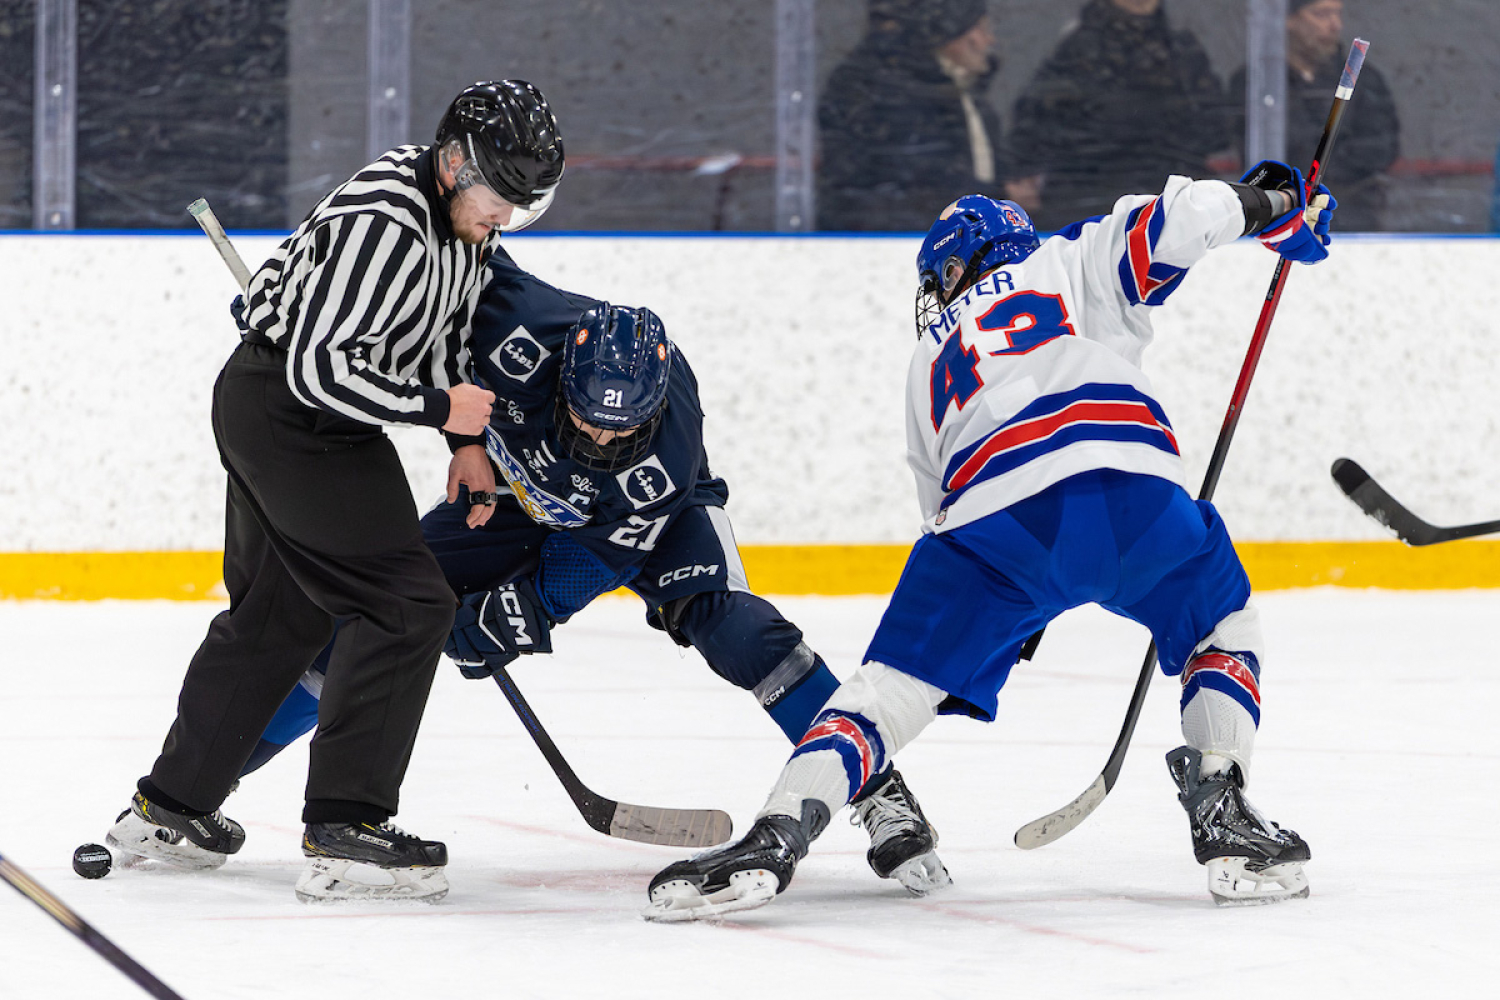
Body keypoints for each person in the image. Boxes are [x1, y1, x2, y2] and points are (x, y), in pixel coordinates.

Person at [641, 159, 1338, 921]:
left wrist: (1014, 607)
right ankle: (1225, 810)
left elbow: (941, 506)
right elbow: (1194, 212)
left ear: (950, 271)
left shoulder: (925, 362)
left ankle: (777, 834)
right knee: (1222, 626)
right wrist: (1273, 205)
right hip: (1130, 493)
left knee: (885, 695)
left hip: (992, 526)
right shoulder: (1070, 255)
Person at [239, 272, 953, 899]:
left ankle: (882, 794)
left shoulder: (666, 452)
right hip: (515, 499)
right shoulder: (513, 322)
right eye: (587, 418)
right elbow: (434, 282)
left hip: (655, 520)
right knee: (382, 610)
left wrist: (504, 620)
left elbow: (590, 565)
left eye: (623, 430)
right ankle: (221, 771)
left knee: (740, 631)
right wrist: (306, 316)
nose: (603, 441)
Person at [103, 80, 565, 903]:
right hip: (291, 415)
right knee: (407, 604)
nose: (505, 220)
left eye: (525, 209)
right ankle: (347, 826)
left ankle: (170, 808)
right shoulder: (387, 220)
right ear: (456, 162)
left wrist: (465, 442)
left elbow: (445, 334)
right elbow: (319, 368)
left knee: (281, 615)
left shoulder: (463, 223)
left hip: (291, 414)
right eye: (502, 199)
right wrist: (436, 410)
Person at [1006, 0, 1230, 232]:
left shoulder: (1181, 50)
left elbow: (1215, 128)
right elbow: (1038, 130)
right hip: (1097, 215)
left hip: (1174, 211)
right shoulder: (1077, 50)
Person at [818, 0, 1010, 231]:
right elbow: (913, 185)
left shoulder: (965, 94)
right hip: (896, 241)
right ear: (950, 31)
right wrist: (1001, 195)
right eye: (981, 28)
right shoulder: (887, 89)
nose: (990, 40)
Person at [1228, 0, 1399, 232]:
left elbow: (1383, 146)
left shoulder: (1365, 80)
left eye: (1338, 15)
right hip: (1277, 219)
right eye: (1321, 14)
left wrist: (1328, 170)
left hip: (1354, 220)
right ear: (1290, 20)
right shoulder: (1256, 81)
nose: (1335, 25)